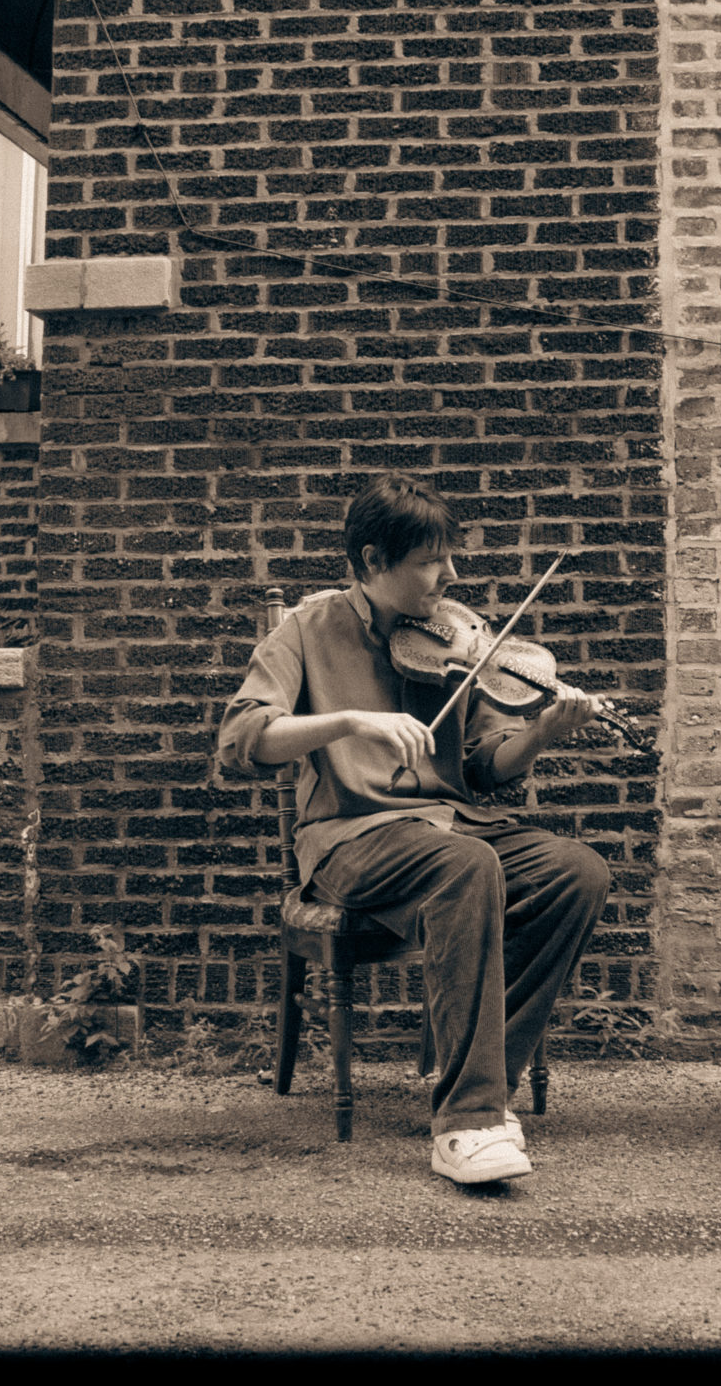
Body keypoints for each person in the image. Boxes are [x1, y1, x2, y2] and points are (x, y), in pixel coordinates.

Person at [215, 475, 611, 1186]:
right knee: (466, 864)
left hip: (453, 825)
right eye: (431, 561)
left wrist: (541, 734)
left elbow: (486, 767)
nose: (450, 575)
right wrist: (347, 722)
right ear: (373, 560)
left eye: (449, 557)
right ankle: (466, 1123)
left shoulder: (456, 638)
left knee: (577, 871)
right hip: (352, 837)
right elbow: (241, 741)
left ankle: (484, 1078)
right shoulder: (305, 628)